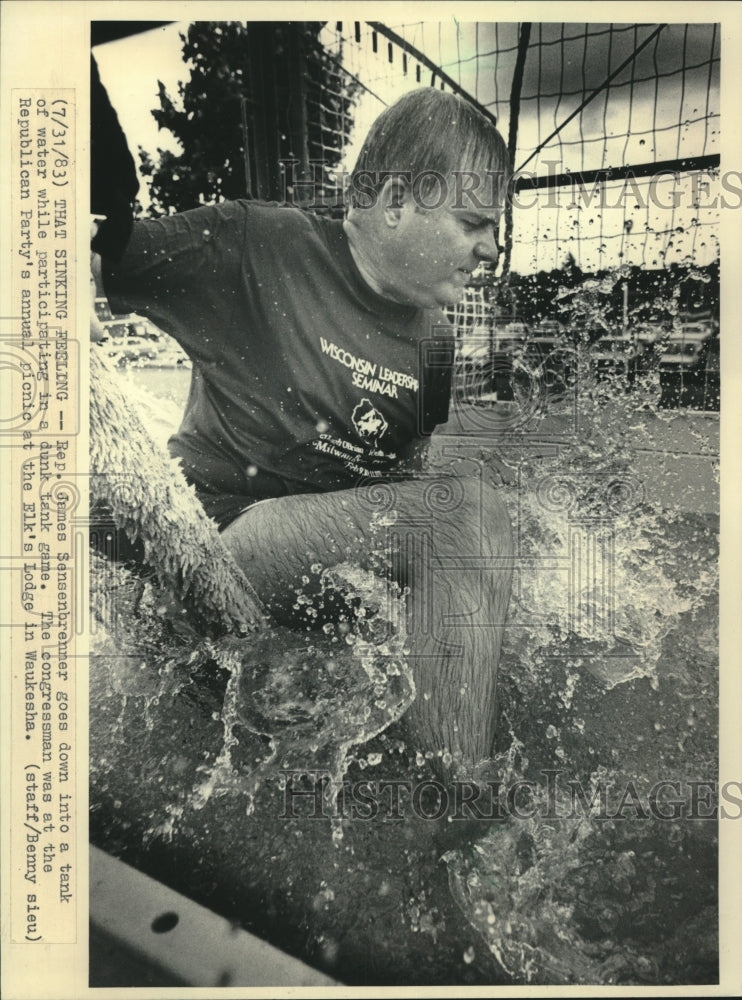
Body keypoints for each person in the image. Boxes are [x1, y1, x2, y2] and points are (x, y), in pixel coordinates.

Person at [92, 87, 514, 783]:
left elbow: (393, 502)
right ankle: (458, 803)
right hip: (211, 554)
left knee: (479, 531)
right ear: (395, 202)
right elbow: (93, 253)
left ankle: (421, 745)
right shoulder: (258, 245)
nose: (490, 248)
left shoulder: (436, 346)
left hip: (293, 585)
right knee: (466, 521)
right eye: (474, 222)